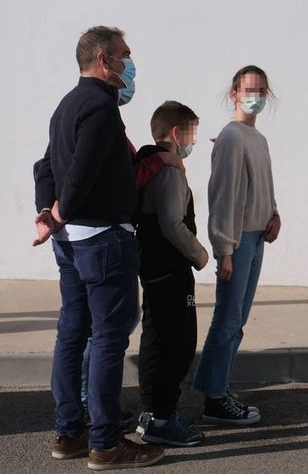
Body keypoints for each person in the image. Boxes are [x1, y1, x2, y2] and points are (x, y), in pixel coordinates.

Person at [32, 26, 164, 468]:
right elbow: (81, 171)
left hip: (71, 243)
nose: (129, 64)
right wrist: (62, 211)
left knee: (72, 333)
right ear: (105, 61)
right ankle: (105, 442)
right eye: (125, 55)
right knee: (109, 339)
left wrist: (46, 214)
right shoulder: (102, 108)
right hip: (103, 239)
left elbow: (44, 165)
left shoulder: (67, 104)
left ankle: (69, 434)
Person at [194, 65, 281, 426]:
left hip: (256, 236)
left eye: (261, 90)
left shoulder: (256, 138)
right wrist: (225, 249)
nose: (255, 96)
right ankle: (214, 399)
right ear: (233, 93)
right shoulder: (231, 137)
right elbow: (224, 197)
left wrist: (274, 213)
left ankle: (217, 387)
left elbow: (261, 185)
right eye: (249, 89)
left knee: (237, 320)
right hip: (239, 240)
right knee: (228, 319)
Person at [134, 102, 210, 447]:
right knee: (176, 344)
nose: (193, 141)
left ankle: (154, 413)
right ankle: (160, 419)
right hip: (170, 271)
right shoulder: (168, 171)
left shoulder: (155, 165)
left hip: (156, 269)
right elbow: (171, 223)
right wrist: (200, 254)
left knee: (159, 338)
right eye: (191, 133)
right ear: (177, 133)